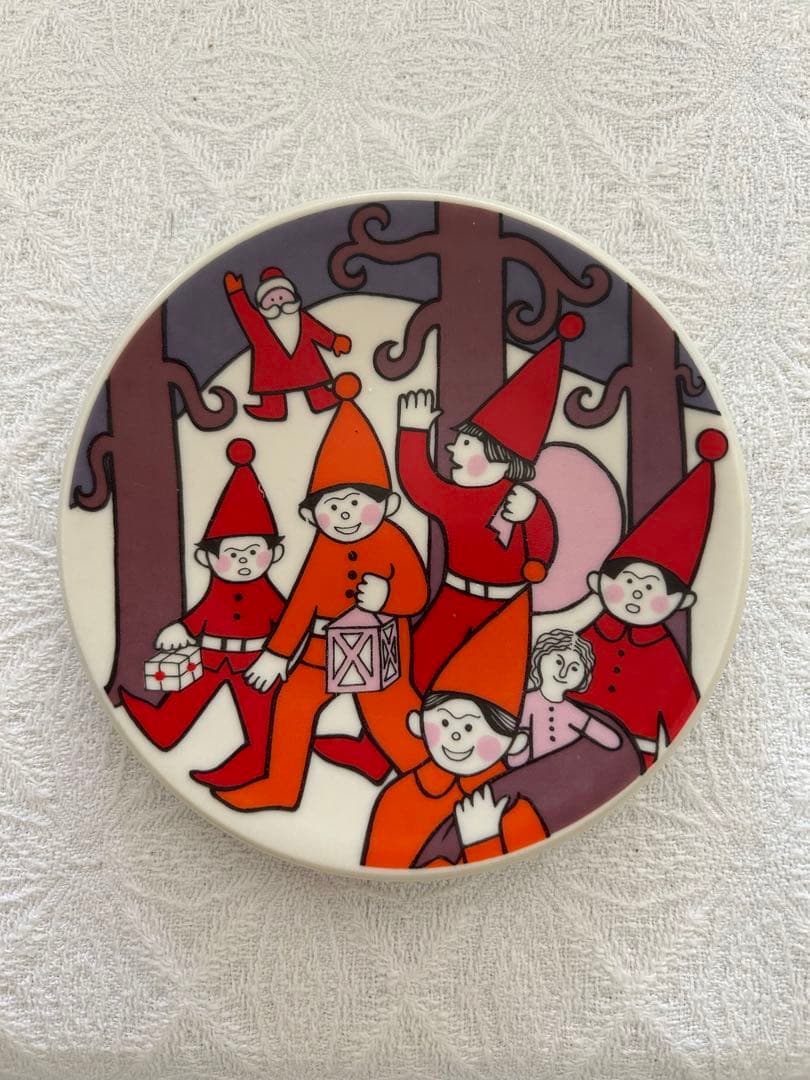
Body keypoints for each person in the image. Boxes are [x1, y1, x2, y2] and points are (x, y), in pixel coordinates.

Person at [214, 374, 429, 812]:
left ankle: (430, 784)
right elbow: (303, 602)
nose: (344, 515)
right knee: (293, 703)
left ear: (386, 506)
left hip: (381, 651)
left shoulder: (394, 539)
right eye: (332, 506)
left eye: (355, 503)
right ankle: (281, 786)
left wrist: (388, 598)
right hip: (320, 649)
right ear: (312, 515)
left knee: (392, 720)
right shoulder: (322, 546)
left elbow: (418, 594)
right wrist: (277, 654)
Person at [396, 313, 586, 693]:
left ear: (500, 457)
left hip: (507, 606)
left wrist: (533, 518)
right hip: (454, 597)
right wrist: (412, 432)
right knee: (422, 671)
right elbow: (419, 486)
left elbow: (543, 548)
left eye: (466, 444)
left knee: (495, 686)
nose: (453, 449)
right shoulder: (455, 497)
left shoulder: (524, 500)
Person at [120, 439, 286, 789]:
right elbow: (204, 613)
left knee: (261, 719)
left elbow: (287, 623)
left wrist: (280, 657)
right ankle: (162, 729)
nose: (244, 562)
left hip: (253, 662)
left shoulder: (270, 595)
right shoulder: (216, 590)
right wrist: (182, 628)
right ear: (207, 558)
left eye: (253, 552)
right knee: (184, 701)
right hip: (211, 655)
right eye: (233, 554)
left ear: (275, 554)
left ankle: (255, 762)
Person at [570, 429, 729, 768]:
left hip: (631, 756)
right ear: (598, 582)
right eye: (628, 581)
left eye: (651, 588)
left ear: (680, 602)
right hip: (568, 743)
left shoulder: (667, 656)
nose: (636, 593)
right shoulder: (583, 639)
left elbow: (680, 706)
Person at [362, 584, 548, 870]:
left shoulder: (518, 804)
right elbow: (381, 867)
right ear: (417, 724)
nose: (456, 735)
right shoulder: (397, 799)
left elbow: (509, 880)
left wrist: (481, 839)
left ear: (516, 743)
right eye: (445, 722)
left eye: (473, 728)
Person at [224, 266, 352, 421]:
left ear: (293, 297)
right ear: (262, 305)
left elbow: (319, 332)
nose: (278, 303)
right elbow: (245, 313)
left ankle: (322, 399)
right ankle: (272, 409)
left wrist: (334, 342)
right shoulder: (258, 324)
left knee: (313, 381)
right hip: (274, 366)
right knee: (272, 388)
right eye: (271, 300)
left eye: (282, 297)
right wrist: (236, 293)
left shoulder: (302, 318)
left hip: (303, 362)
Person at [507, 629, 620, 766]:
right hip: (538, 771)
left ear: (584, 676)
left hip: (571, 769)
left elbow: (612, 741)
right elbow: (515, 760)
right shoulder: (526, 703)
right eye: (558, 662)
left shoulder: (572, 712)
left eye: (574, 668)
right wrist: (519, 745)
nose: (563, 673)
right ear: (540, 657)